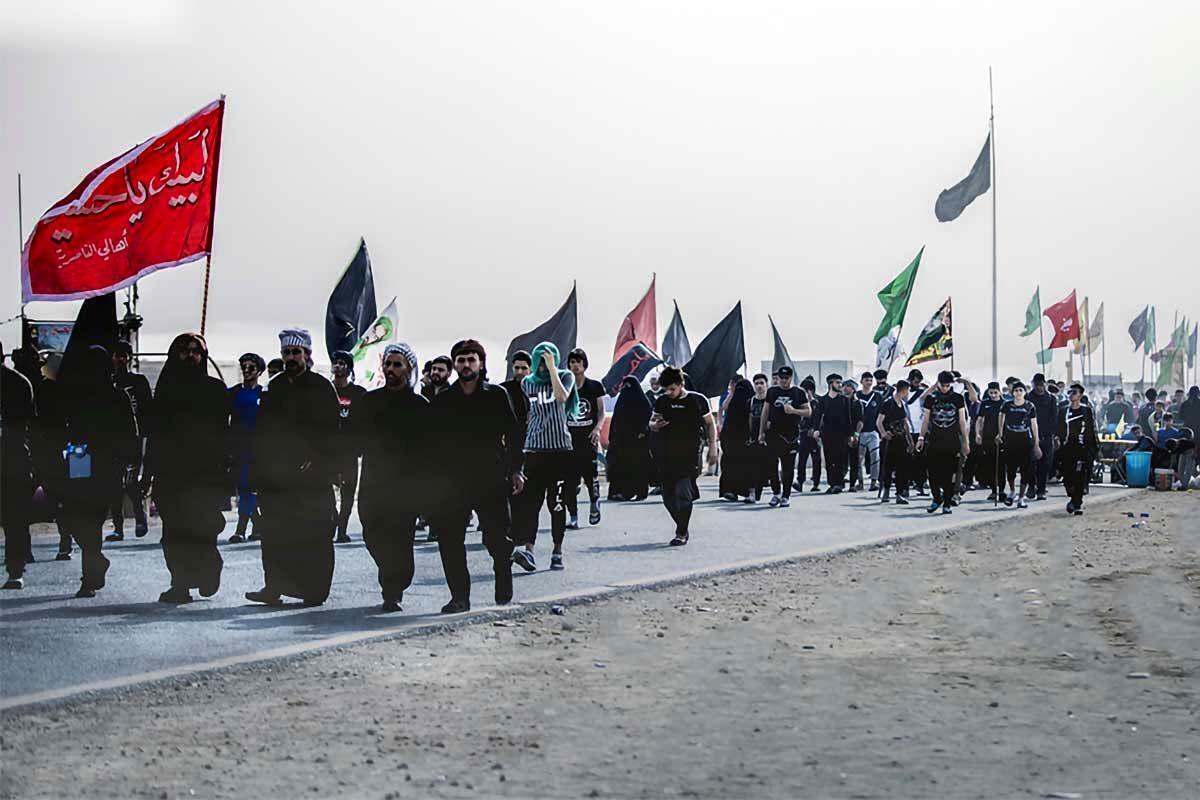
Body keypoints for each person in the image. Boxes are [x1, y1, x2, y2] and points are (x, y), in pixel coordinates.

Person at [246, 329, 341, 607]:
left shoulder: (322, 387)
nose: (290, 358)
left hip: (311, 477)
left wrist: (316, 459)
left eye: (295, 353)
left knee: (314, 536)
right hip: (277, 478)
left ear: (307, 355)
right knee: (274, 534)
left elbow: (331, 432)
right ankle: (273, 588)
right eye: (286, 353)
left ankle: (315, 591)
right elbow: (262, 431)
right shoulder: (274, 388)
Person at [428, 339, 521, 613]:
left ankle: (503, 576)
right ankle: (459, 598)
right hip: (453, 480)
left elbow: (514, 434)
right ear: (455, 365)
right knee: (449, 539)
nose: (466, 365)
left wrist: (517, 470)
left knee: (496, 539)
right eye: (461, 360)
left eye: (471, 359)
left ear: (480, 363)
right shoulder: (443, 400)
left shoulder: (497, 395)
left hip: (491, 477)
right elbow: (431, 441)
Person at [144, 333, 231, 604]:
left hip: (204, 473)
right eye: (184, 350)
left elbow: (224, 433)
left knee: (202, 528)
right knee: (174, 532)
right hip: (171, 474)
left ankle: (208, 569)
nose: (190, 355)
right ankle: (179, 584)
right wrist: (148, 474)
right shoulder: (165, 390)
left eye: (196, 351)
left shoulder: (215, 389)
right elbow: (155, 434)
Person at [53, 346, 139, 598]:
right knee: (80, 519)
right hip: (82, 456)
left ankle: (90, 576)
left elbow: (129, 430)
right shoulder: (78, 395)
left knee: (90, 519)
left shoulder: (117, 396)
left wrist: (130, 462)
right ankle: (95, 564)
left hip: (105, 461)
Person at [352, 343, 429, 612]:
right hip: (373, 481)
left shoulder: (420, 405)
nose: (392, 370)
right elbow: (354, 437)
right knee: (372, 534)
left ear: (409, 368)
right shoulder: (369, 402)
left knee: (400, 538)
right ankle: (391, 574)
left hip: (406, 485)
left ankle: (392, 590)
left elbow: (428, 448)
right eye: (389, 364)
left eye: (398, 365)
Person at [511, 342, 576, 572]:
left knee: (557, 504)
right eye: (538, 360)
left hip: (559, 451)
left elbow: (561, 398)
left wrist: (552, 369)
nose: (540, 365)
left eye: (545, 359)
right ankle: (529, 551)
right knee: (531, 504)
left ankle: (557, 550)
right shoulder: (527, 383)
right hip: (535, 450)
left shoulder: (565, 376)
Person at [650, 366, 718, 546]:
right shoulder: (662, 401)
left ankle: (680, 532)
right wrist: (654, 426)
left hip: (690, 453)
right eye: (666, 389)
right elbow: (652, 421)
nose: (669, 392)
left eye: (672, 388)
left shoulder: (697, 400)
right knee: (667, 497)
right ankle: (683, 527)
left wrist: (713, 448)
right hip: (666, 454)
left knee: (683, 492)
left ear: (681, 384)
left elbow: (711, 425)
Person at [106, 341, 152, 541]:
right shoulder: (106, 383)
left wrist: (146, 435)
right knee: (113, 484)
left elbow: (148, 409)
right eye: (117, 355)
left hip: (134, 438)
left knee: (132, 483)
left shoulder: (139, 381)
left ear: (129, 357)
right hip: (112, 440)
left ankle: (140, 519)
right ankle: (118, 527)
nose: (120, 359)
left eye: (124, 355)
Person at [2, 343, 36, 589]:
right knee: (15, 518)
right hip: (14, 457)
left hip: (13, 457)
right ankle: (15, 570)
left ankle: (16, 569)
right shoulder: (20, 382)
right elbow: (30, 426)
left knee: (14, 517)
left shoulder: (19, 382)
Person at [916, 370, 969, 514]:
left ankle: (947, 502)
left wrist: (965, 442)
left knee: (949, 473)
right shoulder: (931, 398)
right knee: (932, 472)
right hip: (934, 440)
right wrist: (921, 437)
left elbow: (962, 421)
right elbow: (925, 420)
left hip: (952, 440)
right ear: (938, 384)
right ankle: (936, 498)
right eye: (943, 385)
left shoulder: (958, 398)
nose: (945, 388)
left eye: (948, 385)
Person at [757, 365, 810, 506]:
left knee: (788, 467)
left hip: (791, 435)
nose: (783, 381)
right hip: (773, 434)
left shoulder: (799, 392)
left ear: (791, 378)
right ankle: (776, 493)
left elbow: (808, 412)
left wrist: (794, 411)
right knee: (772, 466)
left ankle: (786, 495)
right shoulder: (772, 391)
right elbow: (765, 412)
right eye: (781, 378)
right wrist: (761, 432)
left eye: (786, 378)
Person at [564, 348, 606, 528]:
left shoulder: (594, 386)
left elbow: (602, 413)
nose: (574, 365)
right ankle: (573, 517)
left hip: (588, 438)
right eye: (572, 362)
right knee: (569, 480)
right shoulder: (565, 386)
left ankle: (594, 503)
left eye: (578, 362)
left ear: (584, 365)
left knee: (591, 476)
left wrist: (597, 429)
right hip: (569, 439)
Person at [330, 350, 367, 543]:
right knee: (326, 490)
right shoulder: (325, 391)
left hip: (350, 452)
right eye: (335, 363)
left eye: (342, 363)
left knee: (347, 493)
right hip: (327, 452)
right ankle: (332, 521)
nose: (338, 366)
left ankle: (341, 530)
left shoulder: (359, 394)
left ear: (349, 368)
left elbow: (365, 422)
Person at [228, 353, 265, 543]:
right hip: (238, 447)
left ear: (259, 371)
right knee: (243, 488)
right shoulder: (233, 393)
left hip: (258, 448)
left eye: (251, 367)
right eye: (244, 366)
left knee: (249, 489)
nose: (247, 370)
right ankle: (258, 525)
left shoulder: (263, 394)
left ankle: (241, 529)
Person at [606, 376, 654, 501]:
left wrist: (643, 431)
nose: (626, 389)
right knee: (620, 466)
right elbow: (615, 420)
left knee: (638, 467)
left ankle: (640, 492)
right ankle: (620, 492)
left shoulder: (643, 402)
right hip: (621, 441)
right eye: (624, 386)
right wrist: (612, 437)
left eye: (629, 386)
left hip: (637, 441)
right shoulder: (621, 401)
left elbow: (648, 418)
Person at [996, 381, 1042, 509]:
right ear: (1012, 392)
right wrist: (999, 434)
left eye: (1021, 390)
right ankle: (1012, 491)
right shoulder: (1007, 405)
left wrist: (1036, 443)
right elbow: (1001, 418)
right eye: (1016, 390)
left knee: (1025, 470)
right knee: (1010, 470)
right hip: (1010, 440)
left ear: (1024, 392)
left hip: (1025, 441)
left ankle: (1021, 498)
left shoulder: (1030, 406)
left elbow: (1034, 425)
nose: (1018, 393)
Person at [1056, 383, 1098, 514]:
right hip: (1066, 448)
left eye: (1074, 392)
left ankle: (1077, 503)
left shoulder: (1086, 411)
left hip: (1081, 448)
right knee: (1067, 475)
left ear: (1080, 395)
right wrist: (1057, 439)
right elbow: (1058, 427)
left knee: (1080, 475)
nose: (1071, 395)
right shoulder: (1063, 411)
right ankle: (1072, 496)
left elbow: (1091, 430)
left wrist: (1092, 447)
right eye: (1070, 392)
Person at [816, 374, 858, 494]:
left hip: (842, 435)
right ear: (830, 384)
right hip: (827, 434)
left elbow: (849, 419)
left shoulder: (845, 400)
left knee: (840, 460)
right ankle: (832, 483)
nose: (840, 385)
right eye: (837, 382)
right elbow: (818, 416)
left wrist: (851, 434)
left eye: (841, 382)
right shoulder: (823, 400)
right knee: (829, 460)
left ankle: (839, 484)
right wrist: (816, 429)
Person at [876, 379, 913, 504]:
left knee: (901, 468)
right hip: (890, 440)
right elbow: (879, 421)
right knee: (888, 467)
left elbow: (905, 423)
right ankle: (886, 492)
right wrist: (883, 433)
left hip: (901, 440)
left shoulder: (902, 404)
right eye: (907, 390)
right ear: (904, 390)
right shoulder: (888, 403)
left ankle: (899, 494)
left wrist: (910, 441)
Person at [719, 376, 755, 502]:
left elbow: (751, 416)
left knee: (742, 465)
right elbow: (725, 407)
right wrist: (732, 392)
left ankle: (743, 491)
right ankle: (730, 491)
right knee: (729, 464)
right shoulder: (732, 397)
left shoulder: (752, 400)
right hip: (730, 435)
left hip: (742, 436)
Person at [1027, 373, 1058, 501]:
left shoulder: (1051, 399)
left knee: (1045, 464)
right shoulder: (1028, 397)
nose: (1039, 387)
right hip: (1030, 435)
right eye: (1037, 385)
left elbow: (1054, 418)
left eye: (1041, 385)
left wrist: (1054, 436)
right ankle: (1031, 486)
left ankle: (1041, 489)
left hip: (1046, 434)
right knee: (1029, 464)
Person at [974, 382, 1005, 500]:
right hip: (987, 437)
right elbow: (979, 419)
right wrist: (978, 434)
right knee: (990, 465)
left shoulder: (1004, 404)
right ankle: (993, 490)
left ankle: (1001, 490)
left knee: (1001, 466)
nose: (993, 395)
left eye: (995, 393)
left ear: (1000, 392)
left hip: (1001, 438)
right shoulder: (985, 404)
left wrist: (1001, 434)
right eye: (991, 393)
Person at [854, 372, 882, 493]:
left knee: (875, 457)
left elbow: (881, 415)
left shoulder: (877, 396)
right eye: (866, 380)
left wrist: (881, 432)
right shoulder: (856, 396)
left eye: (871, 380)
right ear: (861, 381)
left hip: (873, 432)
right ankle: (860, 482)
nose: (869, 382)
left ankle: (873, 482)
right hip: (859, 432)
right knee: (859, 459)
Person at [796, 376, 822, 492]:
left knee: (816, 460)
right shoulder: (800, 404)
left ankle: (816, 483)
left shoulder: (816, 403)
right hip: (802, 435)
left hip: (814, 436)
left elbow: (819, 419)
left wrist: (815, 429)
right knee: (802, 460)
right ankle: (800, 482)